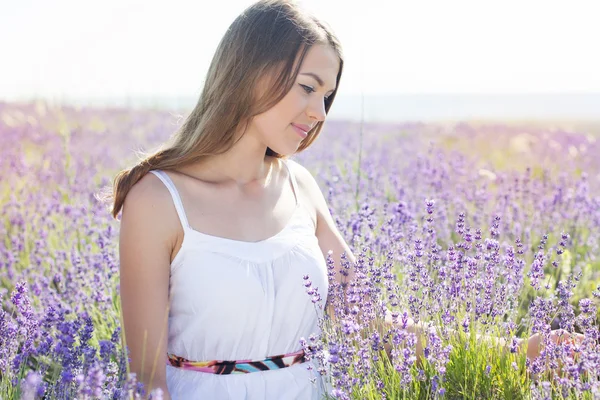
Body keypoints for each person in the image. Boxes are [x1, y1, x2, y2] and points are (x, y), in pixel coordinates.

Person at [109, 1, 582, 398]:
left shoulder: (301, 189)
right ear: (250, 73)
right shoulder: (157, 199)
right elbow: (144, 380)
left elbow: (368, 322)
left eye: (328, 97)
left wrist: (517, 350)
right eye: (308, 88)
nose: (318, 113)